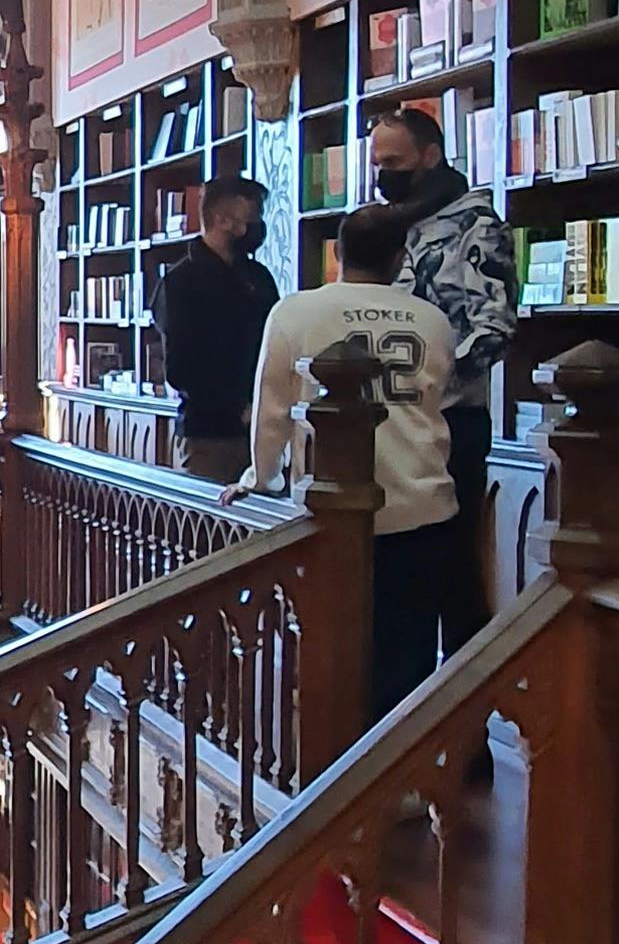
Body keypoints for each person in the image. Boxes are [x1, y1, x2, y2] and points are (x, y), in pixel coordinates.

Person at [241, 203, 458, 718]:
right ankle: (401, 772)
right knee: (409, 657)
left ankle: (336, 772)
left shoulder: (295, 312)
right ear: (401, 259)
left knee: (331, 652)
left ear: (337, 253)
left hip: (328, 509)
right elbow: (437, 398)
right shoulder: (433, 319)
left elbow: (272, 410)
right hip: (421, 503)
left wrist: (262, 475)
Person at [365, 98, 517, 700]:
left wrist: (431, 381)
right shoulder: (393, 222)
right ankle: (393, 724)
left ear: (430, 156)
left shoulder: (475, 224)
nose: (384, 172)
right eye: (376, 161)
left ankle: (465, 735)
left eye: (395, 160)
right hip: (388, 422)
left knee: (453, 580)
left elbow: (496, 325)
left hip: (450, 420)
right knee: (393, 576)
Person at [159, 175, 276, 479]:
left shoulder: (258, 277)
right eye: (252, 218)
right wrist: (237, 406)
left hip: (263, 429)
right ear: (224, 220)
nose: (257, 226)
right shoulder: (181, 281)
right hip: (209, 436)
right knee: (208, 521)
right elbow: (181, 369)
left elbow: (274, 342)